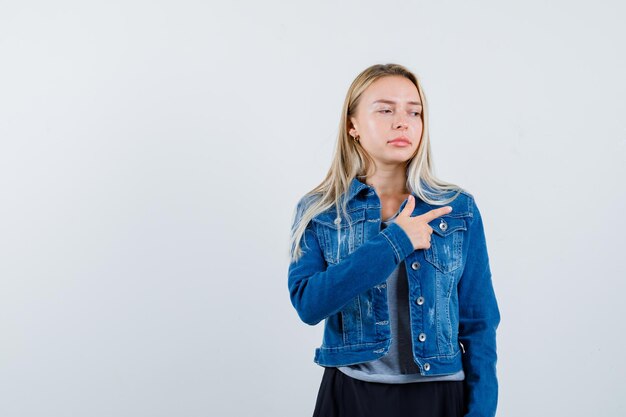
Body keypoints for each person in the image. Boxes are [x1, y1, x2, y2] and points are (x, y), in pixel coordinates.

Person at [287, 63, 500, 417]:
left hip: (439, 396)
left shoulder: (456, 209)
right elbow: (309, 304)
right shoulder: (321, 210)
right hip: (351, 395)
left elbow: (480, 323)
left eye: (413, 112)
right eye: (385, 110)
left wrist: (482, 412)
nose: (403, 122)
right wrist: (395, 241)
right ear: (352, 125)